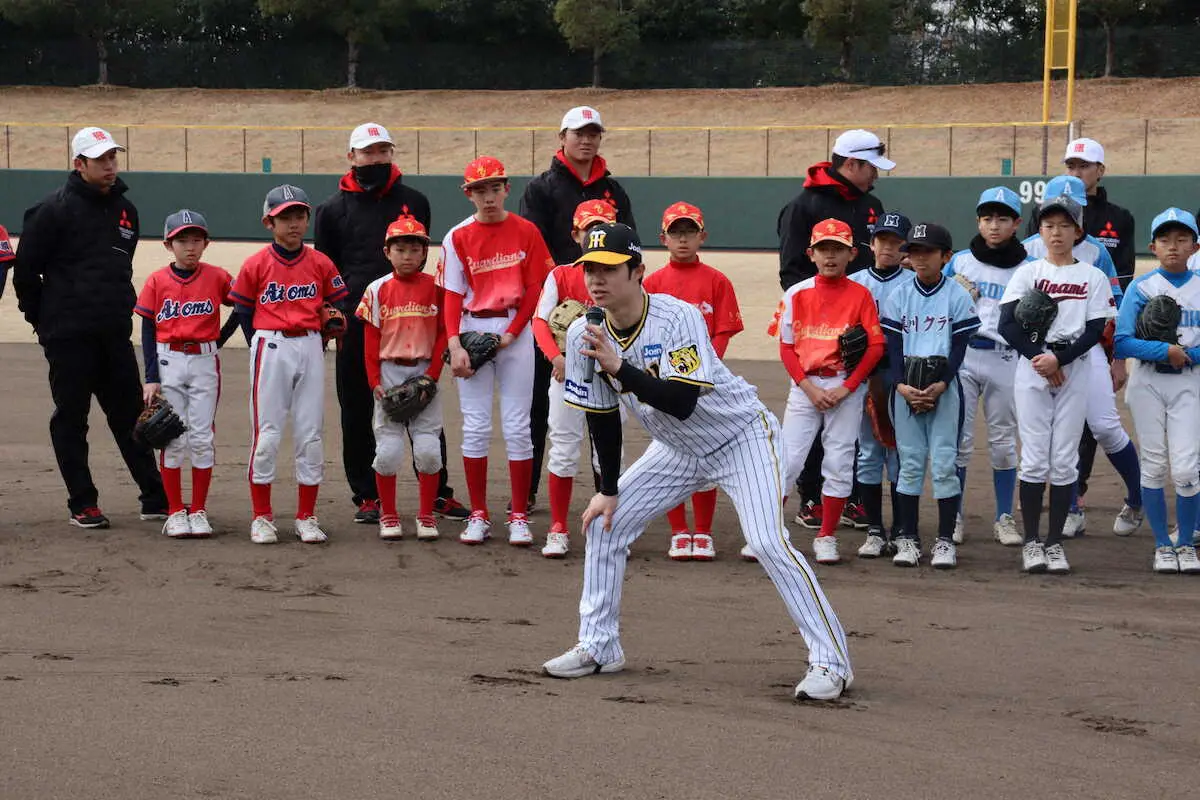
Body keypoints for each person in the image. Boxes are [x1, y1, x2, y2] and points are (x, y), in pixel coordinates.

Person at [541, 223, 853, 702]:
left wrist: (618, 366)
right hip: (678, 450)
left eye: (608, 269)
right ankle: (599, 646)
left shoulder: (677, 317)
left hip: (741, 437)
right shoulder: (585, 330)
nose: (596, 281)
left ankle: (832, 663)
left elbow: (682, 401)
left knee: (769, 542)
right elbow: (602, 417)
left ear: (638, 271)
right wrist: (607, 488)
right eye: (589, 270)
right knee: (606, 524)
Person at [13, 126, 168, 528]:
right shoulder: (50, 211)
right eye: (101, 159)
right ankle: (83, 502)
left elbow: (121, 267)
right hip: (68, 336)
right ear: (78, 164)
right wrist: (44, 323)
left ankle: (155, 496)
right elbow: (26, 275)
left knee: (131, 416)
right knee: (72, 418)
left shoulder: (126, 212)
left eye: (113, 157)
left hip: (113, 333)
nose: (110, 165)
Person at [314, 122, 467, 526]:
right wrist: (333, 319)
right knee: (358, 408)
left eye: (383, 151)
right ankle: (366, 495)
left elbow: (423, 259)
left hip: (414, 317)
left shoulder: (413, 200)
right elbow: (326, 269)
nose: (376, 159)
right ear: (352, 157)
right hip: (358, 323)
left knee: (423, 400)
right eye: (368, 152)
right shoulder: (331, 209)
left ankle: (436, 493)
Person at [520, 106, 635, 514]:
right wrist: (561, 295)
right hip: (558, 306)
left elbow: (629, 247)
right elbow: (533, 248)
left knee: (606, 414)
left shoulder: (614, 191)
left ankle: (607, 493)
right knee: (546, 408)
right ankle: (533, 490)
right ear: (562, 137)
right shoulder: (542, 187)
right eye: (578, 133)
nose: (586, 140)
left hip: (602, 302)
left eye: (593, 133)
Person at [777, 129, 891, 529]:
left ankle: (851, 497)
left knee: (855, 421)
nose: (877, 175)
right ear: (852, 164)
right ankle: (810, 497)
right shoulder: (803, 205)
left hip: (863, 324)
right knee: (809, 427)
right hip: (818, 333)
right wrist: (824, 316)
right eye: (872, 167)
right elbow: (792, 271)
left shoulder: (872, 203)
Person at [438, 156, 555, 546]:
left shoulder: (527, 231)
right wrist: (454, 343)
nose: (488, 197)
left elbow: (536, 289)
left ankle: (519, 515)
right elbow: (452, 293)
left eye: (494, 188)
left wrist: (511, 333)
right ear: (468, 194)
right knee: (474, 426)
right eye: (479, 190)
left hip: (515, 331)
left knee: (519, 425)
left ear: (507, 189)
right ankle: (479, 514)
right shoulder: (457, 236)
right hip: (472, 328)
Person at [999, 195, 1116, 574]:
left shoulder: (1092, 277)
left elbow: (1097, 328)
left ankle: (1054, 544)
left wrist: (1059, 360)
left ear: (1078, 231)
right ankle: (1032, 542)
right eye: (1049, 225)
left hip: (1074, 366)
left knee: (1064, 458)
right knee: (1034, 455)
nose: (1056, 232)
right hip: (1032, 367)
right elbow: (1007, 324)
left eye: (1065, 225)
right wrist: (1040, 357)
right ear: (1040, 230)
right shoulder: (1027, 272)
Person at [1023, 175, 1142, 539]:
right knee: (1053, 433)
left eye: (1069, 212)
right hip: (1038, 356)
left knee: (1104, 426)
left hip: (1086, 352)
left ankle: (1136, 498)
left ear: (1080, 216)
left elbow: (1116, 306)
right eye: (1052, 215)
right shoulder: (1027, 250)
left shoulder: (1097, 253)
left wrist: (1118, 357)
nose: (1059, 225)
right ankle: (1071, 505)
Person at [229, 185, 348, 544]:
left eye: (299, 216)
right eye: (285, 217)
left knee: (311, 434)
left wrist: (331, 324)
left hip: (311, 345)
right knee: (267, 434)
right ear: (269, 222)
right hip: (271, 344)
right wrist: (260, 345)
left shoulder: (320, 262)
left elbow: (337, 304)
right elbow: (243, 310)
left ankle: (306, 516)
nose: (294, 224)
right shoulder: (256, 263)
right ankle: (262, 517)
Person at [776, 219, 884, 566]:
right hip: (805, 385)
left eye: (838, 249)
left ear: (852, 254)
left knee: (839, 462)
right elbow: (786, 347)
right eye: (824, 249)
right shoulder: (796, 293)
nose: (830, 256)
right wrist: (808, 387)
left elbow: (875, 347)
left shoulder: (860, 295)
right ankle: (771, 534)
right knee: (789, 460)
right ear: (811, 253)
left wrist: (848, 387)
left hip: (844, 387)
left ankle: (826, 536)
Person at [643, 202, 744, 561]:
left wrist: (702, 370)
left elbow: (723, 331)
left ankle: (702, 531)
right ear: (663, 238)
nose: (682, 239)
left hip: (707, 381)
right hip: (665, 380)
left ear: (702, 236)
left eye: (689, 232)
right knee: (671, 453)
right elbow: (647, 333)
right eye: (675, 232)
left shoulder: (716, 280)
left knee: (708, 454)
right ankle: (678, 531)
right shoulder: (652, 283)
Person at [881, 224, 979, 569]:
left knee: (943, 464)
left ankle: (944, 540)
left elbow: (959, 350)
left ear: (945, 257)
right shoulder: (899, 296)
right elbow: (892, 349)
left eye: (928, 251)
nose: (919, 258)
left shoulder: (957, 295)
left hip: (946, 390)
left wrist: (941, 384)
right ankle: (907, 537)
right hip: (905, 389)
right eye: (915, 251)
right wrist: (900, 385)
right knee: (908, 463)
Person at [134, 210, 235, 538]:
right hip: (168, 360)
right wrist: (151, 376)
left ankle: (199, 510)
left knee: (203, 436)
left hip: (206, 361)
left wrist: (221, 338)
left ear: (206, 243)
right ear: (168, 244)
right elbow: (148, 327)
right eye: (182, 240)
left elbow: (243, 304)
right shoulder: (156, 280)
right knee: (173, 437)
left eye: (196, 240)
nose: (189, 247)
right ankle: (176, 510)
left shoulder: (217, 276)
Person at [531, 198, 620, 558]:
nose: (595, 233)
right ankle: (557, 527)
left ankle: (609, 529)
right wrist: (556, 357)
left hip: (608, 377)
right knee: (564, 448)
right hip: (566, 373)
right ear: (576, 233)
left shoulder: (622, 275)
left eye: (603, 226)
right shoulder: (562, 274)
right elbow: (539, 321)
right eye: (589, 228)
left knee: (609, 453)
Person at [1113, 208, 1200, 574]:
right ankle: (1163, 545)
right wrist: (1164, 351)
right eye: (1165, 240)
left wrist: (1189, 355)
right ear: (1153, 246)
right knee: (1153, 464)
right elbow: (1122, 342)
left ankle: (1185, 543)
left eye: (1182, 239)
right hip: (1147, 381)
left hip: (1188, 382)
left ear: (1195, 246)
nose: (1173, 247)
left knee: (1186, 468)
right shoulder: (1142, 286)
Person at [944, 188, 1026, 548]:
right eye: (988, 218)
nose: (994, 225)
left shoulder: (1029, 268)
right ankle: (956, 515)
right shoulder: (960, 262)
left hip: (1006, 358)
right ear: (978, 221)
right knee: (959, 440)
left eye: (1003, 218)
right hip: (964, 356)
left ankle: (1004, 516)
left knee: (1004, 441)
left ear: (1016, 224)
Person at [356, 214, 446, 542]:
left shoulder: (436, 290)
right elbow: (370, 340)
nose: (407, 255)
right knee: (388, 452)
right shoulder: (377, 290)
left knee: (429, 451)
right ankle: (389, 514)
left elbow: (442, 335)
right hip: (390, 370)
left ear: (425, 253)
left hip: (423, 370)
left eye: (414, 248)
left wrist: (433, 376)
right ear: (387, 252)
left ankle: (425, 515)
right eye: (400, 249)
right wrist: (374, 381)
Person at [849, 212, 911, 558]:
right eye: (882, 240)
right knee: (870, 453)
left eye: (895, 242)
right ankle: (875, 529)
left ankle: (902, 529)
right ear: (871, 244)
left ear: (905, 248)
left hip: (901, 377)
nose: (887, 247)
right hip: (866, 378)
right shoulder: (855, 283)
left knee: (901, 455)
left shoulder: (913, 282)